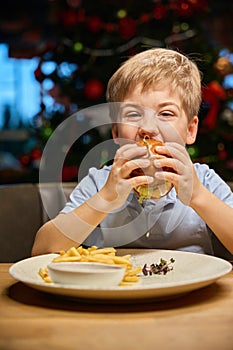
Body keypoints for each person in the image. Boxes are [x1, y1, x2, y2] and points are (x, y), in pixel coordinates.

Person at [31, 48, 233, 259]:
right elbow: (42, 250)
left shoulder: (204, 181)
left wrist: (198, 196)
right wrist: (105, 198)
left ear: (190, 130)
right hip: (114, 288)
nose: (147, 127)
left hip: (193, 288)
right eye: (133, 114)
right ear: (116, 133)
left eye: (165, 114)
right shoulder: (100, 182)